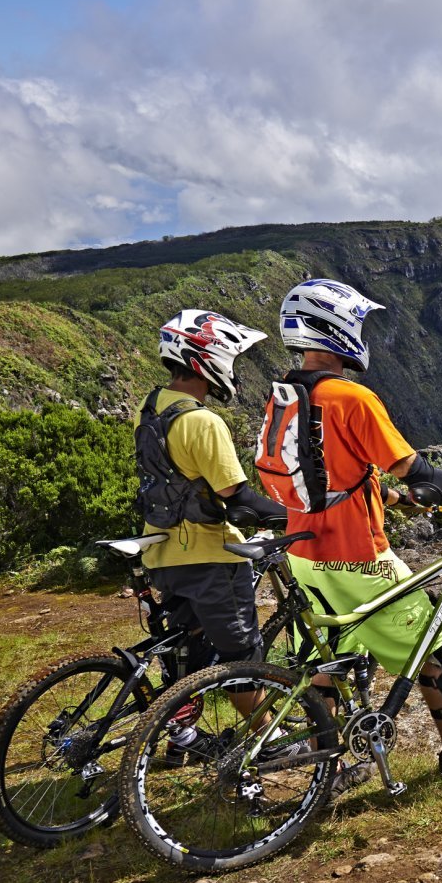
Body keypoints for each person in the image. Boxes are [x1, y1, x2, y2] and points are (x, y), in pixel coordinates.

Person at [268, 278, 442, 783]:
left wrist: (392, 499)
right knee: (439, 650)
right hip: (356, 557)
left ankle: (325, 767)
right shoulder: (352, 398)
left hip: (303, 554)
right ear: (335, 329)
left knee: (332, 659)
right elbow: (420, 473)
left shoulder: (286, 394)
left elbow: (325, 474)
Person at [134, 309, 286, 755]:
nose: (232, 369)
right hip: (210, 556)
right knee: (241, 657)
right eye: (230, 358)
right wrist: (296, 519)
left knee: (189, 652)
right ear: (207, 359)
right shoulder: (203, 422)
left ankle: (182, 738)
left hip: (163, 554)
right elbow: (237, 498)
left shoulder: (150, 408)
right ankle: (271, 743)